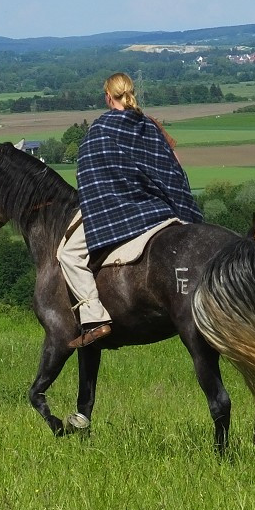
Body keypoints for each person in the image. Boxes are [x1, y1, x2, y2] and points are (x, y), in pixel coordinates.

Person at [57, 72, 203, 349]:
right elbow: (173, 169)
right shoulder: (150, 125)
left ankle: (94, 318)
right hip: (157, 208)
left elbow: (90, 177)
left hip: (114, 209)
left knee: (68, 254)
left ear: (108, 96)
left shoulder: (100, 130)